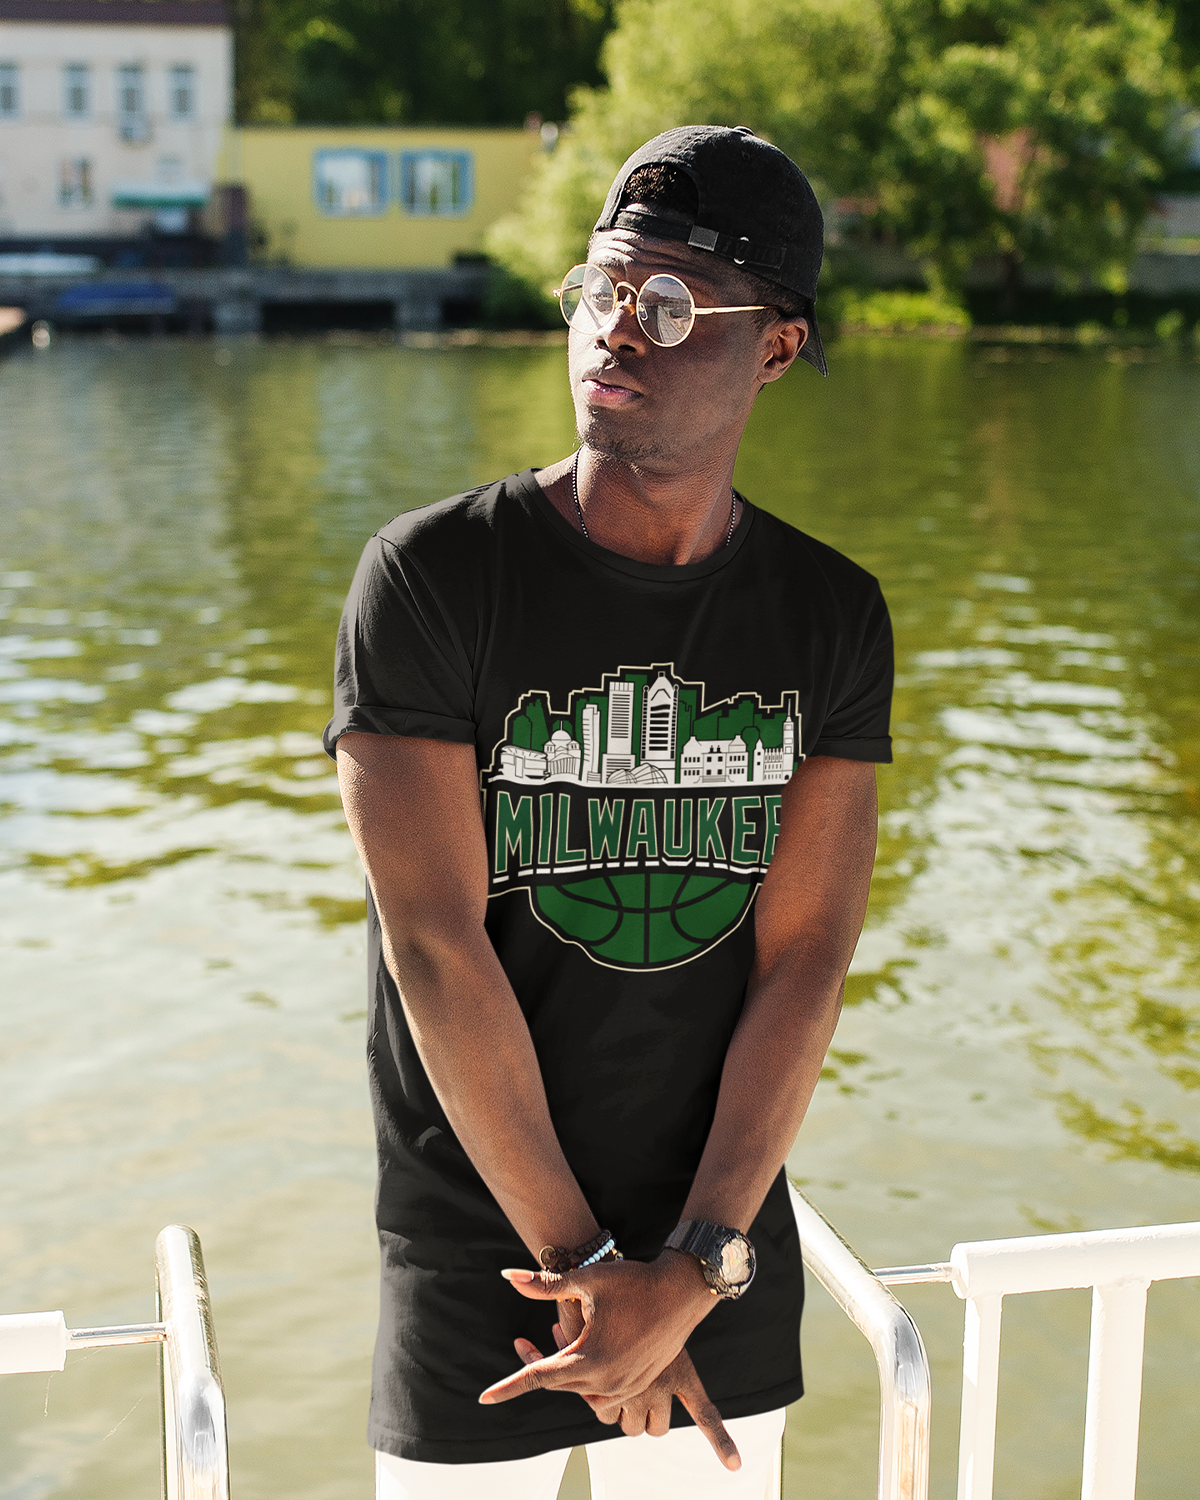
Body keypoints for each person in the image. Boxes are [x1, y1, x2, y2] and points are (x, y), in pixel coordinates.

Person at [324, 124, 893, 1500]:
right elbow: (436, 947)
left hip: (718, 1250)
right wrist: (589, 1271)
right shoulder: (432, 577)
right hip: (494, 1257)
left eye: (672, 304)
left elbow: (805, 956)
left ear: (775, 347)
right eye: (601, 289)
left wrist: (692, 1268)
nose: (617, 329)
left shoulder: (827, 613)